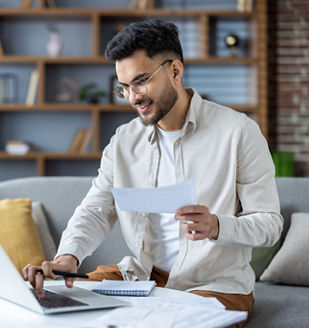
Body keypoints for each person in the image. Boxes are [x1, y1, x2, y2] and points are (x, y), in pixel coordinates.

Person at [24, 19, 283, 327]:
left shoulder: (238, 132)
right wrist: (68, 257)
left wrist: (216, 225)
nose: (133, 97)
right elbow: (96, 210)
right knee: (55, 307)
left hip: (215, 285)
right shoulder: (123, 141)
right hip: (142, 277)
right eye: (124, 87)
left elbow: (270, 224)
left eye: (141, 81)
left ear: (175, 71)